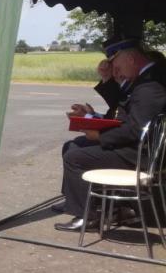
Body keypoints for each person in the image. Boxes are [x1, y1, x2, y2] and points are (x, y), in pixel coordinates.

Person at [55, 37, 166, 232]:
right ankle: (82, 202)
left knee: (74, 158)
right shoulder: (143, 79)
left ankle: (88, 216)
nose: (116, 73)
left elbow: (135, 129)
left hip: (140, 155)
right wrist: (92, 117)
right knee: (72, 145)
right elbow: (122, 112)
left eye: (117, 67)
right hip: (135, 148)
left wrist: (100, 136)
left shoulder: (150, 85)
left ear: (131, 59)